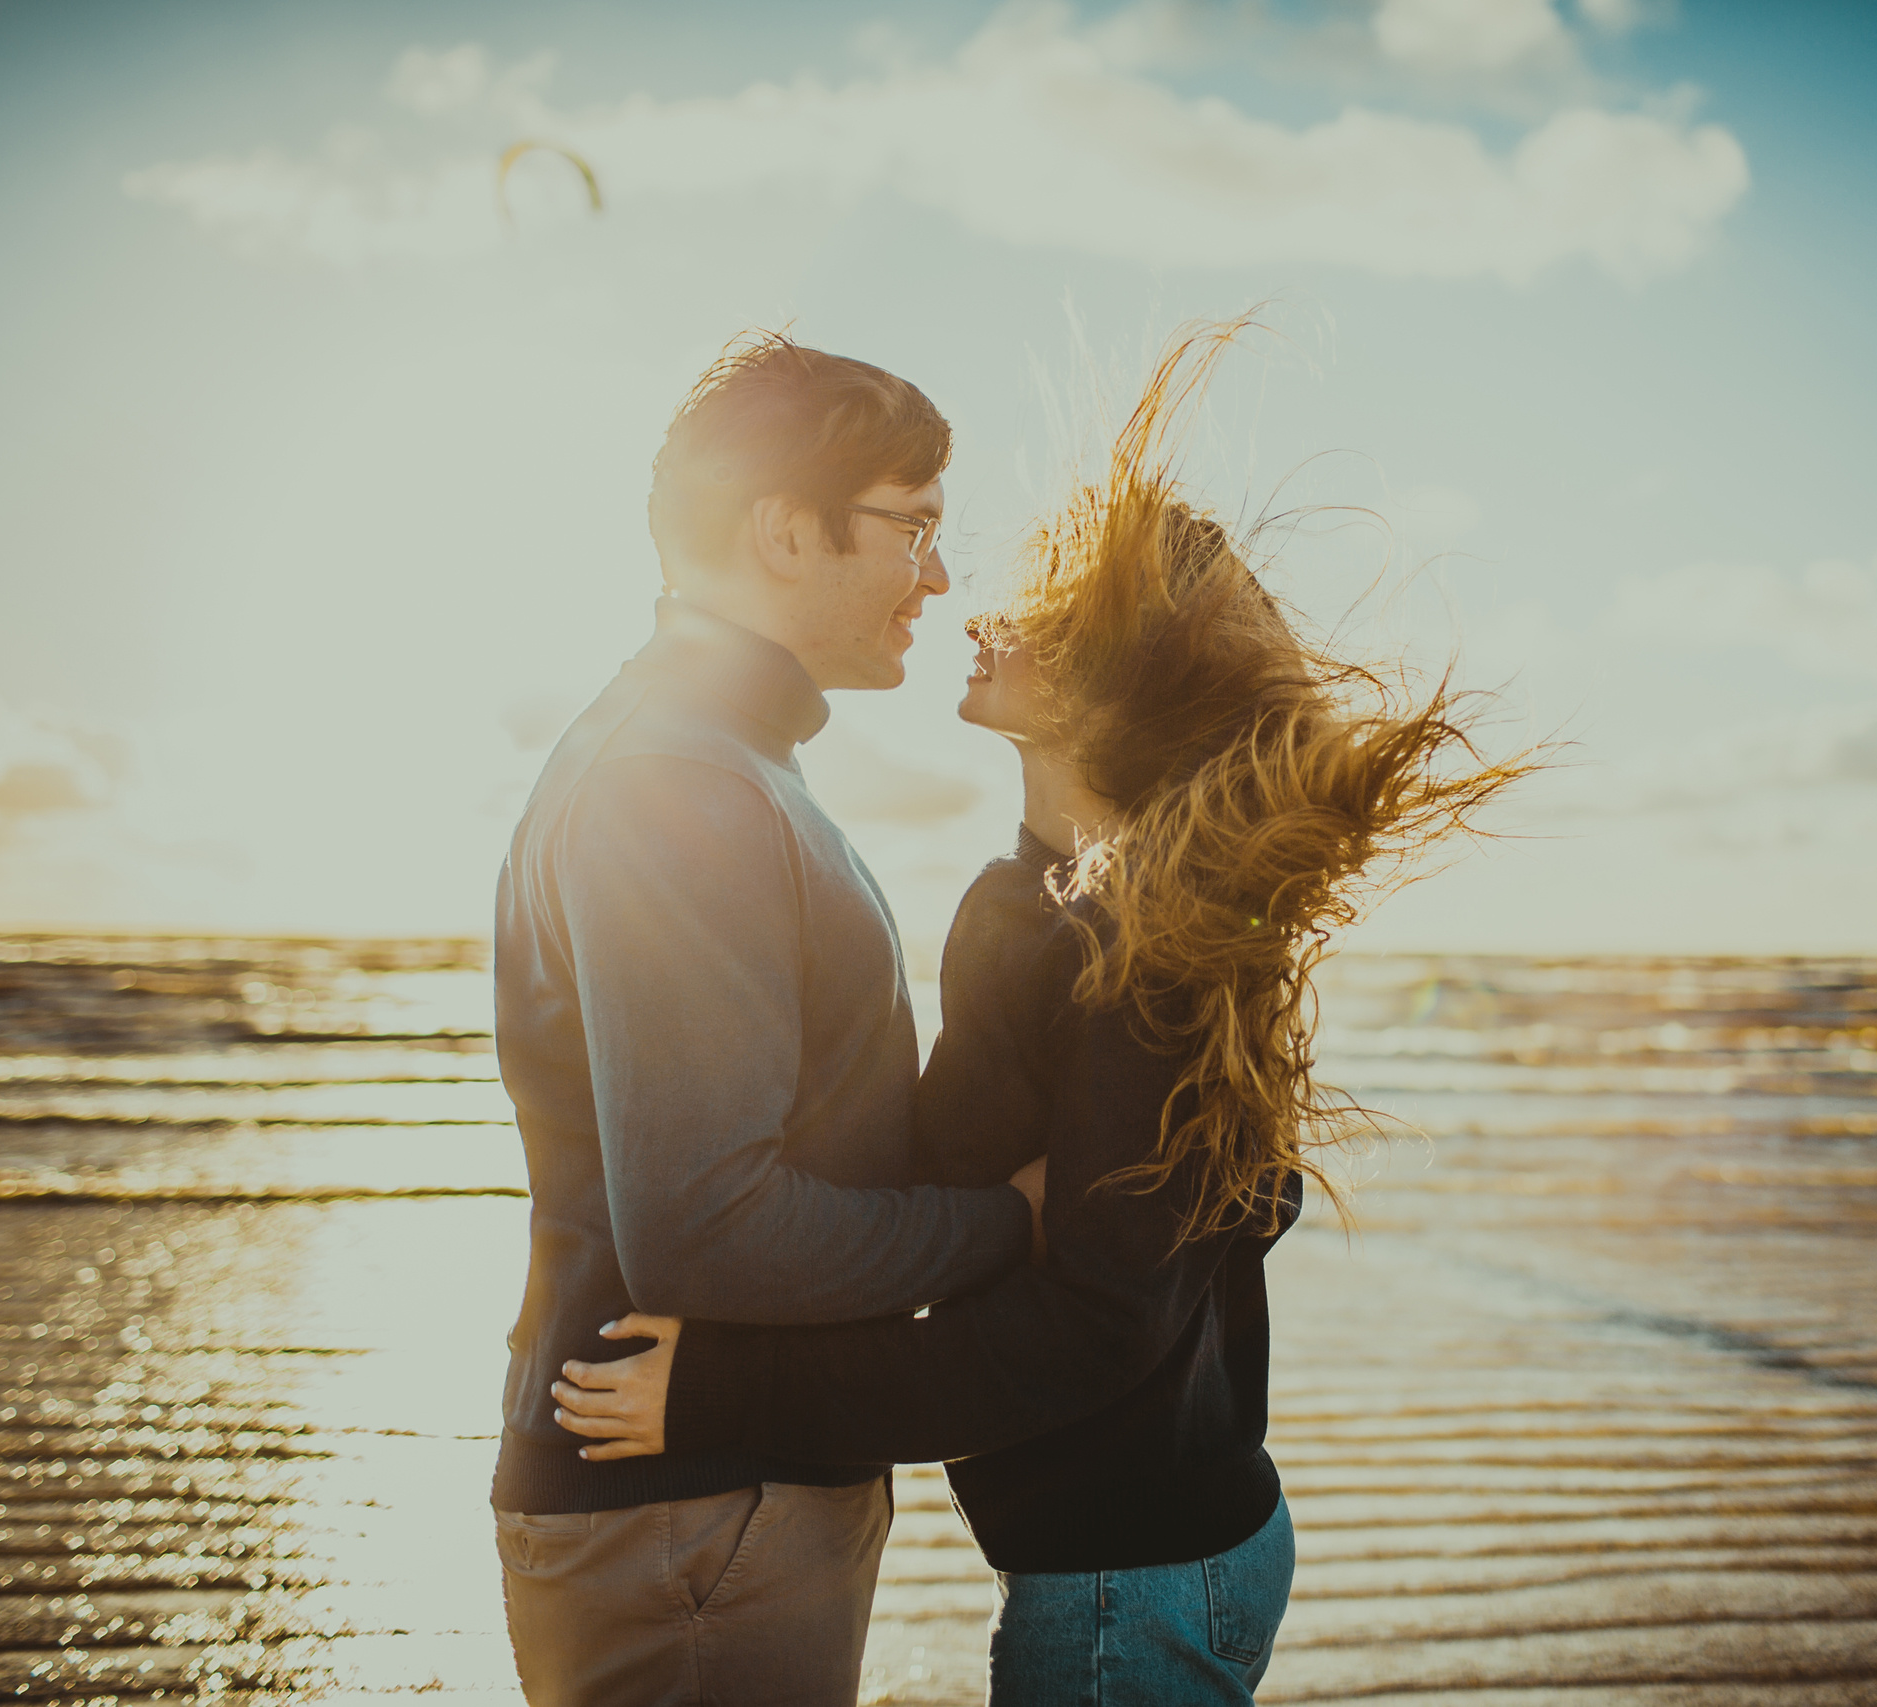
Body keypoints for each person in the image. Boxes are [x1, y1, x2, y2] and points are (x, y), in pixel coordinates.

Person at [548, 322, 1534, 1703]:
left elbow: (1093, 1323)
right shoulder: (1042, 905)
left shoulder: (1139, 952)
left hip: (1136, 1582)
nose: (976, 611)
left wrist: (733, 1395)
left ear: (1114, 686)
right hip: (1130, 1561)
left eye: (1046, 615)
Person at [489, 333, 1048, 1706]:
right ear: (784, 531)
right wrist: (1018, 1221)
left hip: (704, 1502)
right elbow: (707, 1225)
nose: (936, 575)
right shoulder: (681, 787)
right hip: (689, 1511)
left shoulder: (708, 757)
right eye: (911, 527)